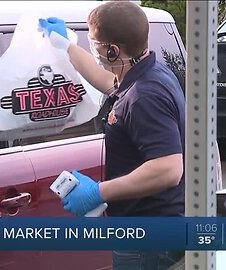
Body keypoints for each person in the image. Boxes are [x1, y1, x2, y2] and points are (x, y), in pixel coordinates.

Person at [39, 1, 185, 269]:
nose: (93, 49)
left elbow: (168, 169)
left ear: (113, 50)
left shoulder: (145, 95)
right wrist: (66, 45)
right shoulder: (146, 72)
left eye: (94, 43)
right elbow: (107, 82)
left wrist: (98, 192)